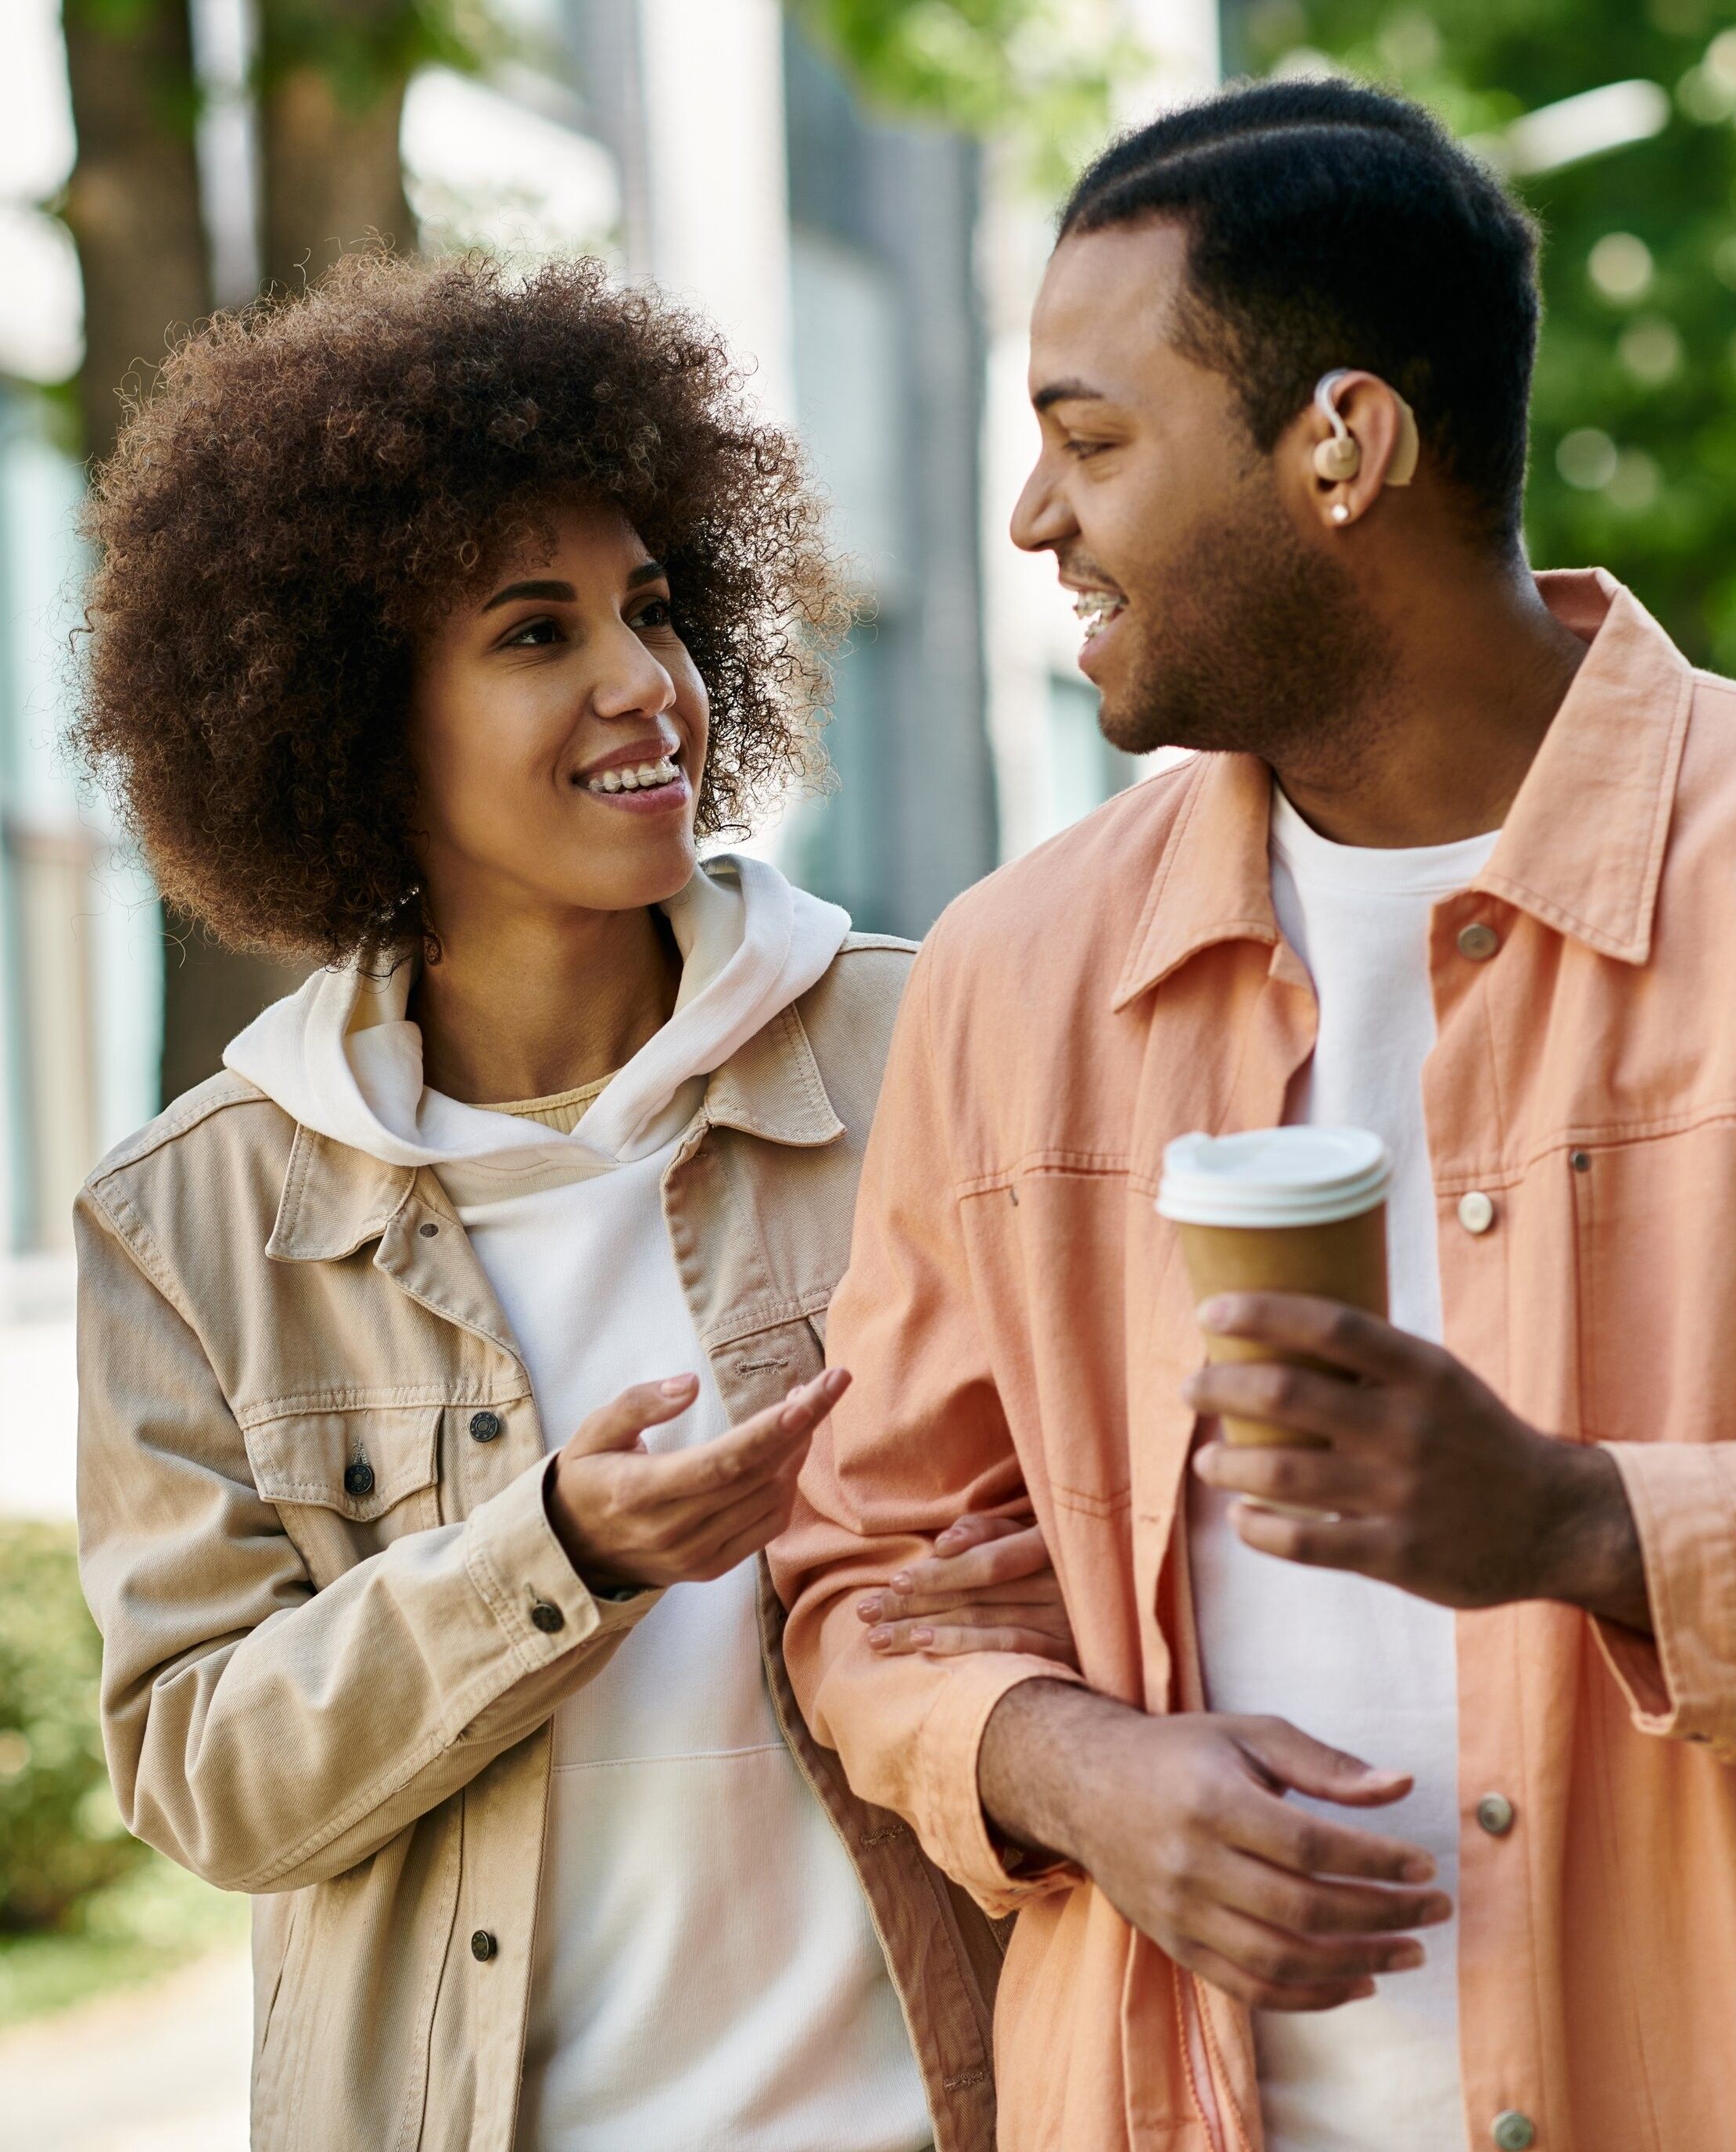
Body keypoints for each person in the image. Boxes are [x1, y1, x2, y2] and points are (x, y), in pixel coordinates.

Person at [775, 80, 1736, 2152]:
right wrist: (1067, 1766)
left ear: (1339, 447)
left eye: (1091, 440)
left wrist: (1580, 1525)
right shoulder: (1016, 973)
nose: (1031, 519)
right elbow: (876, 1575)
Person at [68, 254, 1069, 2152]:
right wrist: (558, 1555)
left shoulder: (937, 1045)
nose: (646, 684)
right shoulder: (198, 1213)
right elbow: (207, 1772)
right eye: (536, 632)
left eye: (656, 605)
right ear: (362, 716)